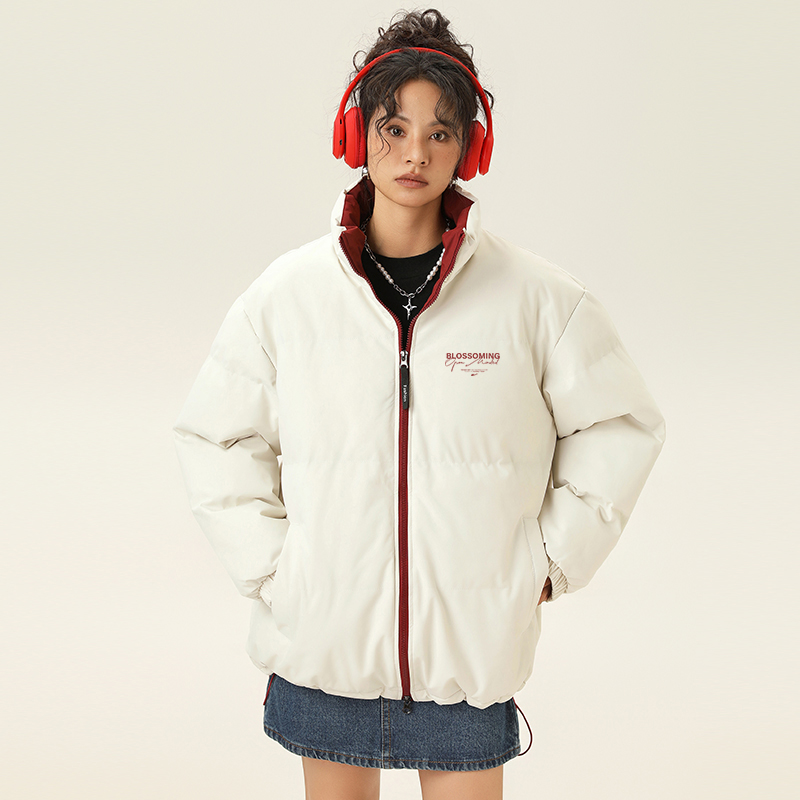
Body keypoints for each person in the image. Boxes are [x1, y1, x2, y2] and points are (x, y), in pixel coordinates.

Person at [172, 8, 666, 799]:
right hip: (324, 654)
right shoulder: (286, 297)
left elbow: (620, 425)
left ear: (470, 148)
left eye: (440, 133)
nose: (414, 154)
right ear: (355, 134)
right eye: (394, 128)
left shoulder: (539, 299)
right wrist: (278, 572)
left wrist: (549, 561)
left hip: (468, 661)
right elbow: (215, 436)